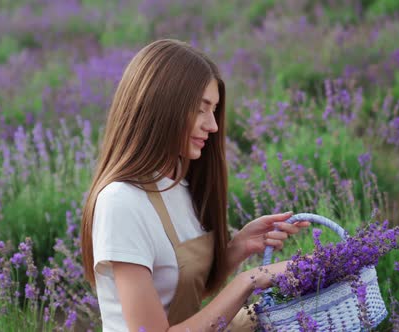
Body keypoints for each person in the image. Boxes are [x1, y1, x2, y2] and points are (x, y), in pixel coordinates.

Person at [80, 39, 310, 332]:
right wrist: (251, 279)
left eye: (214, 110)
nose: (213, 125)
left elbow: (178, 296)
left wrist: (237, 248)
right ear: (162, 105)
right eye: (201, 109)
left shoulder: (178, 183)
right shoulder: (121, 202)